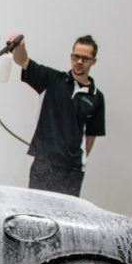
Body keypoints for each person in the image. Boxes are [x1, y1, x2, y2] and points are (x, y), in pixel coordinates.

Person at [8, 33, 105, 197]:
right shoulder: (52, 80)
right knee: (35, 213)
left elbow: (91, 136)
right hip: (44, 164)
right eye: (76, 56)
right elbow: (23, 61)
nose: (79, 61)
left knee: (64, 216)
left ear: (93, 61)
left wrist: (76, 158)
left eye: (85, 58)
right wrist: (20, 47)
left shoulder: (96, 97)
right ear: (71, 57)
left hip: (71, 170)